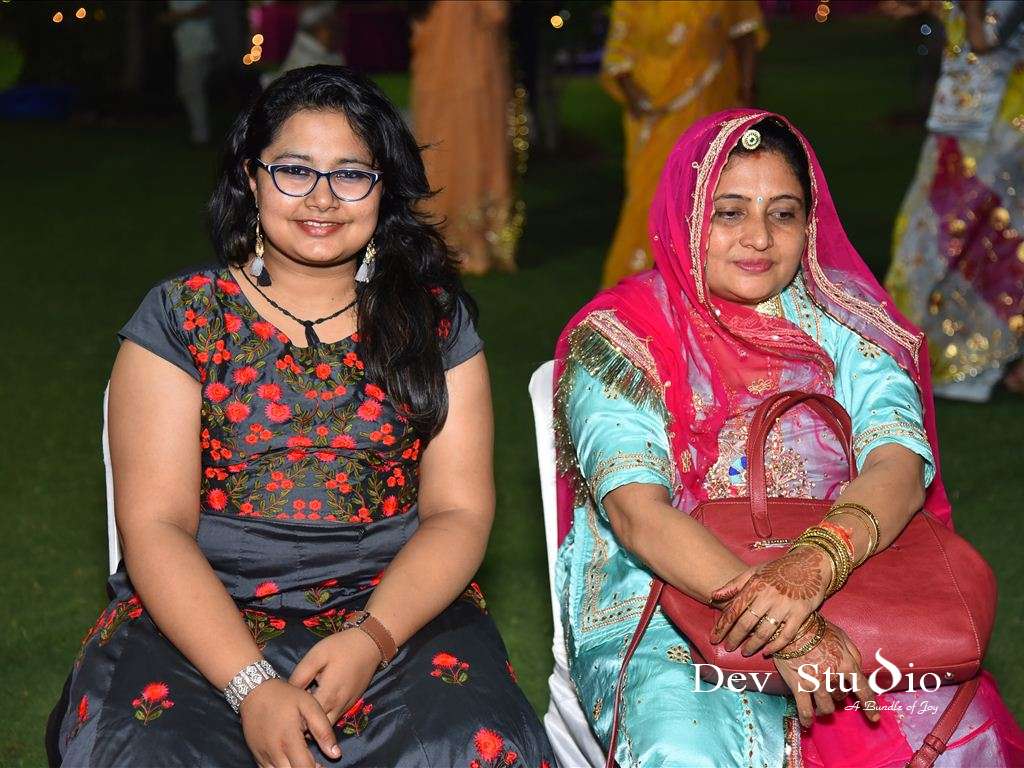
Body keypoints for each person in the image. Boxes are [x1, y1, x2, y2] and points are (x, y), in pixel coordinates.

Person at [45, 65, 554, 768]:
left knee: (471, 746)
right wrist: (251, 686)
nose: (322, 197)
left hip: (396, 612)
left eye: (351, 174)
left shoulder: (433, 323)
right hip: (201, 618)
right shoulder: (184, 318)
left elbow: (458, 512)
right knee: (154, 750)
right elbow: (155, 526)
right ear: (251, 181)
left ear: (384, 189)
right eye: (293, 170)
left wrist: (371, 640)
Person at [553, 110, 1024, 767]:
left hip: (847, 577)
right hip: (665, 598)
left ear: (810, 224)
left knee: (956, 739)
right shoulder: (622, 337)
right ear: (688, 215)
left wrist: (814, 566)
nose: (759, 238)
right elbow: (639, 514)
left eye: (783, 213)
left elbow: (897, 463)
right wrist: (789, 629)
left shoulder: (848, 325)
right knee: (689, 747)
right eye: (729, 212)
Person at [885, 0, 1024, 401]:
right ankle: (912, 352)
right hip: (957, 124)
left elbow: (983, 38)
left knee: (988, 240)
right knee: (928, 237)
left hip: (999, 132)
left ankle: (966, 359)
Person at [599, 0, 766, 288]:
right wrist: (637, 98)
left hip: (714, 103)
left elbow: (744, 30)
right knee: (652, 197)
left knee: (713, 195)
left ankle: (709, 287)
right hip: (655, 115)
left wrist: (747, 89)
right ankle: (641, 290)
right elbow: (618, 54)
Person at [410, 0, 521, 275]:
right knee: (473, 145)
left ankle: (440, 236)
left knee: (441, 142)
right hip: (472, 63)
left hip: (438, 57)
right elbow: (496, 12)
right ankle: (473, 241)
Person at [164, 0, 217, 145]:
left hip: (199, 46)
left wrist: (176, 16)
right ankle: (199, 132)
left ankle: (201, 135)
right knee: (186, 90)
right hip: (186, 47)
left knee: (193, 90)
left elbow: (204, 9)